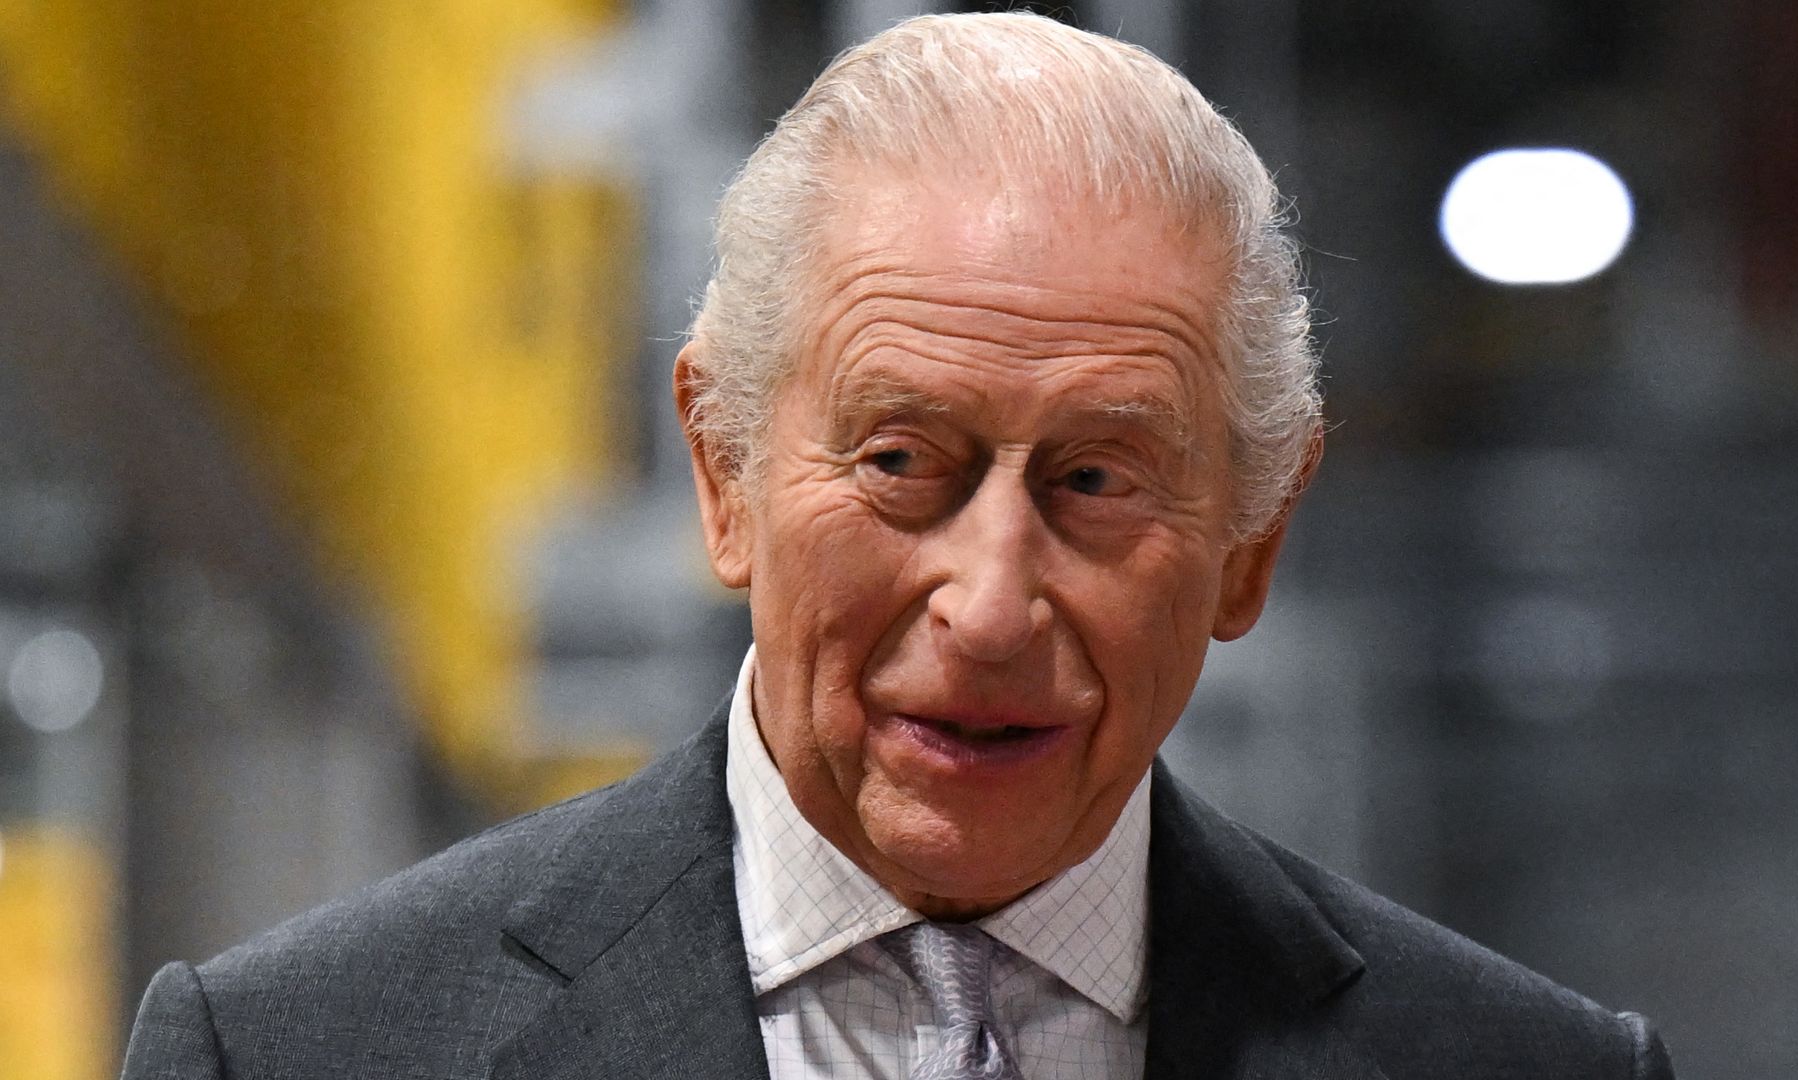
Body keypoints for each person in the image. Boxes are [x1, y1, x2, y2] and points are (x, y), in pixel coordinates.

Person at [122, 12, 1674, 1080]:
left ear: (1252, 543)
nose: (991, 606)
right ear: (724, 471)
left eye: (1095, 481)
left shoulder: (1526, 1070)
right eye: (900, 463)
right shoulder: (300, 1053)